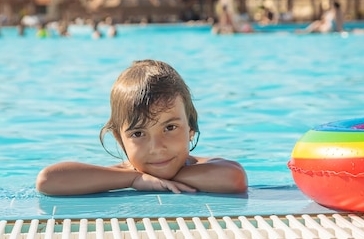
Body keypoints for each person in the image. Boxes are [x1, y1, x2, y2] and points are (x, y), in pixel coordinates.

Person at [35, 60, 248, 196]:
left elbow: (234, 178)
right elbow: (48, 180)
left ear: (191, 129)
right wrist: (134, 179)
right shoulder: (121, 173)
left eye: (170, 127)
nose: (156, 147)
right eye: (138, 133)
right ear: (120, 140)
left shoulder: (203, 166)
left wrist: (162, 179)